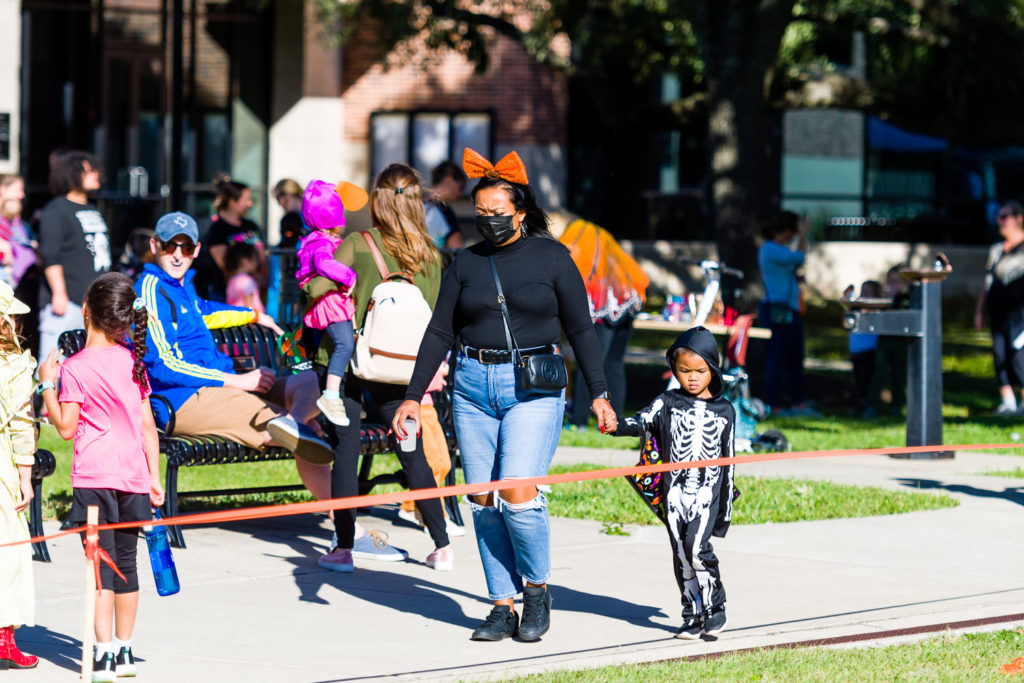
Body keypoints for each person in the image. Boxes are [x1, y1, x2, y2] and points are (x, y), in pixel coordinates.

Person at [393, 148, 616, 642]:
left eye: (499, 213)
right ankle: (501, 603)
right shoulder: (465, 263)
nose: (490, 221)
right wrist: (413, 395)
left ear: (520, 212)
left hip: (532, 387)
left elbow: (581, 328)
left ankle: (536, 590)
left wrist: (598, 393)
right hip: (472, 388)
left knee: (517, 493)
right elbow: (438, 333)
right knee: (482, 500)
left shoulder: (553, 257)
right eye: (482, 213)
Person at [305, 163, 453, 573]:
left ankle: (344, 549)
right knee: (412, 451)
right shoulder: (430, 256)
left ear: (378, 201)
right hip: (404, 370)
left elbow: (315, 288)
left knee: (345, 451)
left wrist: (343, 285)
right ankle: (441, 546)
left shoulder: (357, 242)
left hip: (352, 364)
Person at [134, 211, 333, 472]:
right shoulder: (150, 290)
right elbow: (163, 364)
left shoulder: (181, 290)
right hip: (183, 399)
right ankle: (292, 427)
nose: (177, 254)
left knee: (315, 382)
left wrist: (255, 315)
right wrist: (237, 381)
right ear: (155, 245)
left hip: (220, 386)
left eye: (187, 247)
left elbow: (205, 310)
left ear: (197, 250)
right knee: (294, 429)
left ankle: (295, 426)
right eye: (170, 245)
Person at [37, 273, 163, 681]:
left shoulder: (74, 367)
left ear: (87, 311)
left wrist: (47, 386)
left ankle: (104, 653)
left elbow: (67, 428)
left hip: (93, 480)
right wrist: (154, 477)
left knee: (100, 570)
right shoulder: (134, 362)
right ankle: (125, 651)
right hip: (133, 477)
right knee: (127, 565)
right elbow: (148, 428)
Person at [606, 326, 735, 639]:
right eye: (684, 371)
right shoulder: (668, 402)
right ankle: (692, 612)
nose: (692, 377)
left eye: (700, 371)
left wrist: (725, 511)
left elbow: (729, 463)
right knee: (680, 552)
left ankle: (715, 605)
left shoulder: (725, 411)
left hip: (708, 491)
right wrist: (615, 426)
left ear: (713, 370)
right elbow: (641, 421)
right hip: (674, 490)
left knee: (696, 547)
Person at [558, 218, 649, 427]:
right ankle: (615, 420)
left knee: (589, 364)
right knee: (614, 363)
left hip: (603, 310)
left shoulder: (580, 238)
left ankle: (579, 420)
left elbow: (569, 267)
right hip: (627, 306)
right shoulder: (607, 245)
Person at [36, 151, 112, 368]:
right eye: (88, 170)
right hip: (67, 304)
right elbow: (51, 255)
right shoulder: (56, 210)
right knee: (54, 369)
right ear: (72, 174)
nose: (96, 175)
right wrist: (59, 294)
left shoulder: (92, 209)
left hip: (92, 306)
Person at [296, 180, 360, 426]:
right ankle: (331, 396)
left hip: (331, 301)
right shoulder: (320, 242)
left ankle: (335, 396)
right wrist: (348, 275)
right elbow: (323, 263)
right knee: (344, 344)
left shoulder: (313, 239)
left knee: (344, 343)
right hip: (330, 302)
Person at [0, 282, 39, 670]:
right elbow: (21, 425)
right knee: (8, 550)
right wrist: (25, 477)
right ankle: (4, 640)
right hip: (2, 467)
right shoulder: (12, 366)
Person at [758, 211, 816, 416]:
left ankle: (796, 402)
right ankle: (774, 404)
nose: (793, 237)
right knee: (777, 356)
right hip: (777, 308)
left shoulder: (777, 250)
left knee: (795, 356)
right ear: (783, 230)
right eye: (792, 231)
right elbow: (799, 257)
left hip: (789, 308)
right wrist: (803, 234)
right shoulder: (770, 248)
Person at [976, 200, 1024, 415]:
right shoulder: (996, 249)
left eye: (1004, 217)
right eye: (999, 217)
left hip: (1020, 313)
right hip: (998, 311)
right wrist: (979, 310)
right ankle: (1007, 402)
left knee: (1019, 356)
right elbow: (987, 282)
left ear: (1018, 218)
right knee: (999, 353)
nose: (1000, 221)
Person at [193, 174, 264, 301]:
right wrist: (246, 277)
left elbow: (261, 254)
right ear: (232, 202)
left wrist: (261, 276)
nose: (250, 203)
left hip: (252, 289)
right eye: (246, 199)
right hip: (225, 293)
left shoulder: (251, 226)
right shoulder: (218, 229)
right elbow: (225, 265)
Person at [871, 266, 909, 416]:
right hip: (884, 340)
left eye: (895, 281)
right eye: (889, 281)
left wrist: (896, 298)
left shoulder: (907, 298)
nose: (891, 285)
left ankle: (897, 406)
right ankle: (873, 405)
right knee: (878, 373)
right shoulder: (884, 299)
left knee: (899, 376)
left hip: (900, 342)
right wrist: (887, 300)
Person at [268, 179, 305, 321]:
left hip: (291, 283)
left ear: (288, 195)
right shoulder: (294, 218)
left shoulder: (306, 219)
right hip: (285, 283)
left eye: (279, 198)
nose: (280, 204)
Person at [844, 280, 882, 417]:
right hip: (856, 350)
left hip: (869, 351)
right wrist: (848, 294)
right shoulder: (856, 311)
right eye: (863, 291)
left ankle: (868, 404)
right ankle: (858, 404)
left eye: (868, 292)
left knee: (867, 380)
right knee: (857, 379)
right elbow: (845, 304)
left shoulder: (877, 312)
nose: (864, 295)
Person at [424, 161, 466, 249]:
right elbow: (456, 248)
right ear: (449, 179)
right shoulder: (445, 212)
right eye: (461, 187)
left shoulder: (415, 205)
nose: (460, 194)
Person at [224, 242, 265, 314]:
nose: (257, 262)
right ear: (245, 261)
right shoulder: (249, 281)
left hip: (234, 319)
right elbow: (249, 307)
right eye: (255, 258)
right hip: (251, 321)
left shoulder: (232, 279)